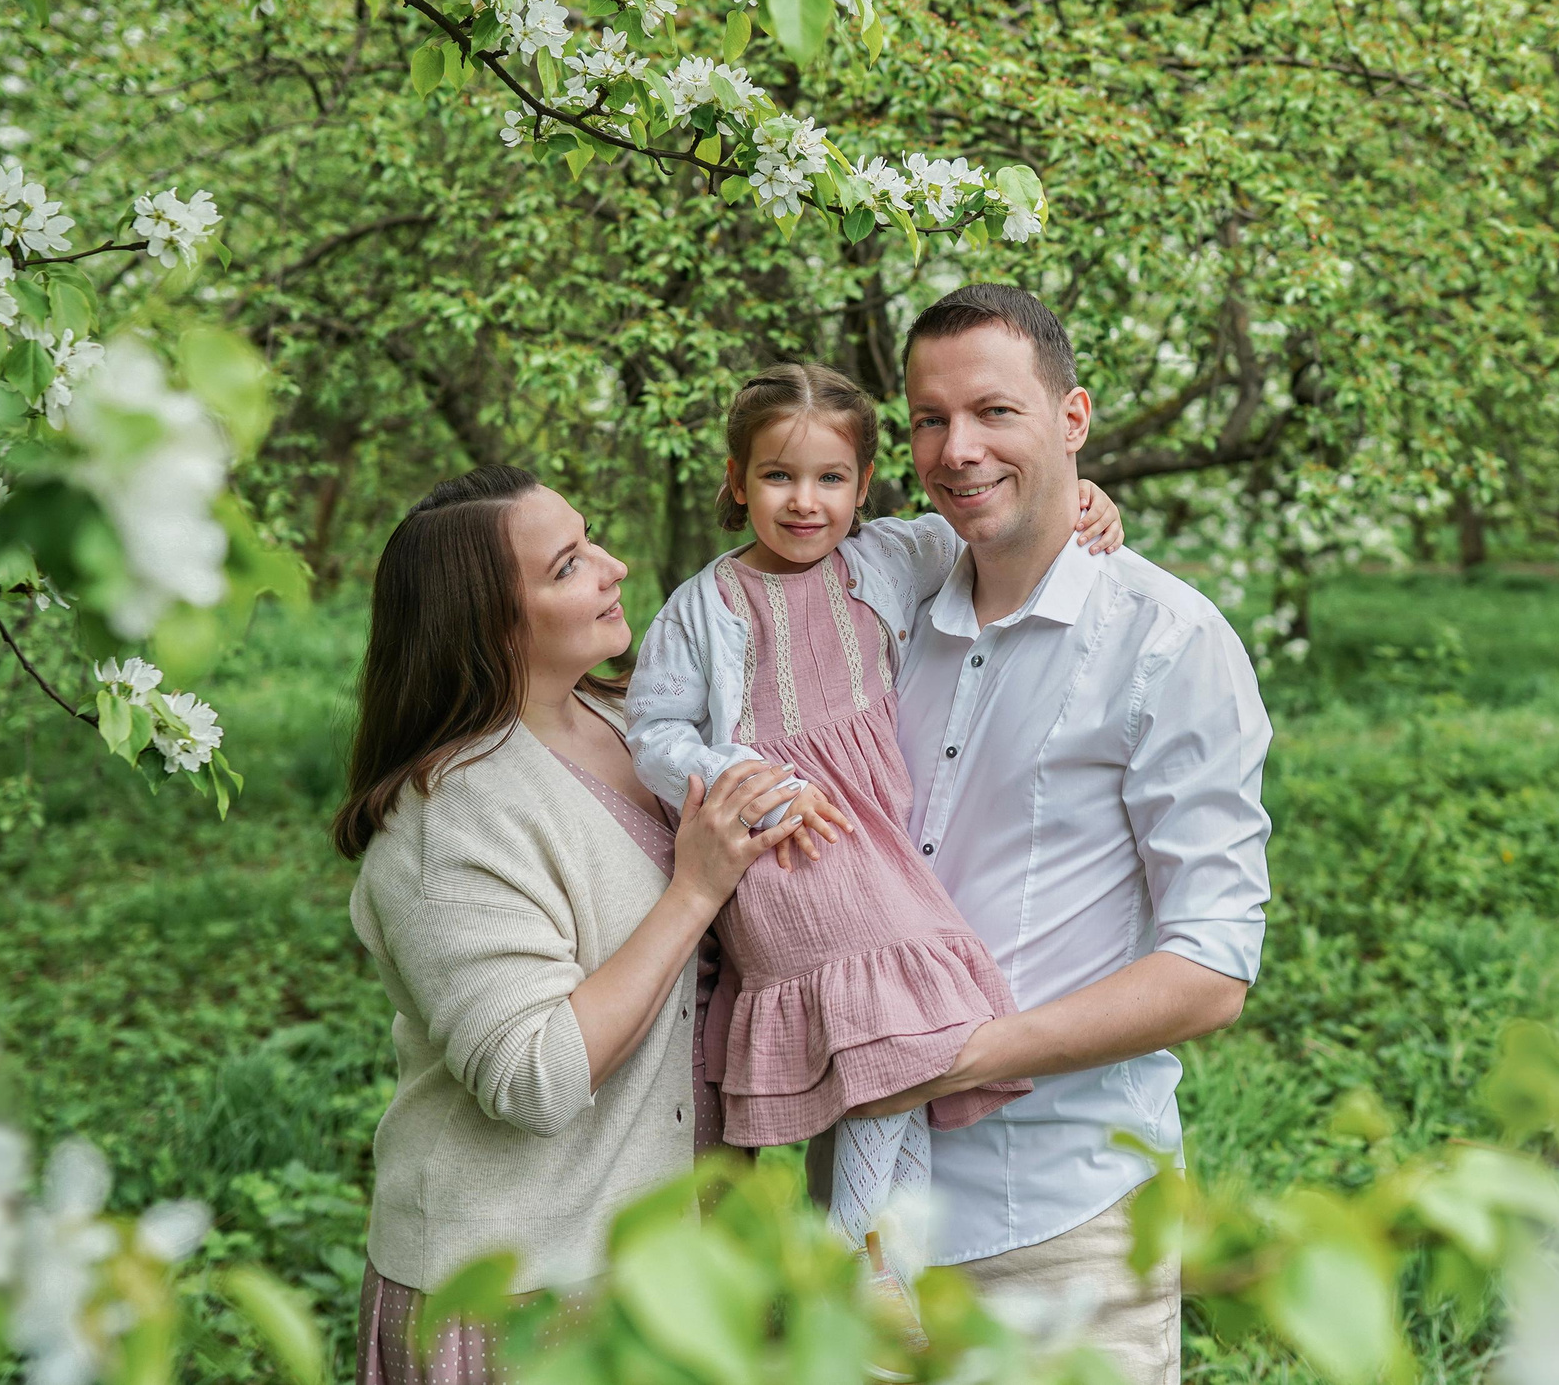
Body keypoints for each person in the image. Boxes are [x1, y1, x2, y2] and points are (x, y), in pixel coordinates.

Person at [845, 285, 1274, 1385]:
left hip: (1063, 1220)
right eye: (930, 420)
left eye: (995, 412)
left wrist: (954, 1060)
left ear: (1072, 418)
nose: (958, 449)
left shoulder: (1166, 641)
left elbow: (1212, 967)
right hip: (864, 1221)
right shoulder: (880, 618)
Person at [623, 362, 1124, 1292]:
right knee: (896, 1020)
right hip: (788, 845)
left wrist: (1081, 495)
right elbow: (652, 731)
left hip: (878, 842)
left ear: (863, 485)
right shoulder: (705, 605)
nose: (805, 502)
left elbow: (1005, 521)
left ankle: (888, 1271)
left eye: (830, 480)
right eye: (777, 477)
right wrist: (745, 777)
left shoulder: (894, 556)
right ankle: (858, 1261)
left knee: (903, 1042)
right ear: (737, 482)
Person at [335, 465, 840, 1385]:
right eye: (568, 565)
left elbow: (834, 625)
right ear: (492, 623)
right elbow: (536, 1076)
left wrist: (1067, 518)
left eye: (590, 539)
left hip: (684, 1256)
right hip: (529, 1293)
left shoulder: (634, 718)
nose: (611, 566)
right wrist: (693, 891)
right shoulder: (448, 819)